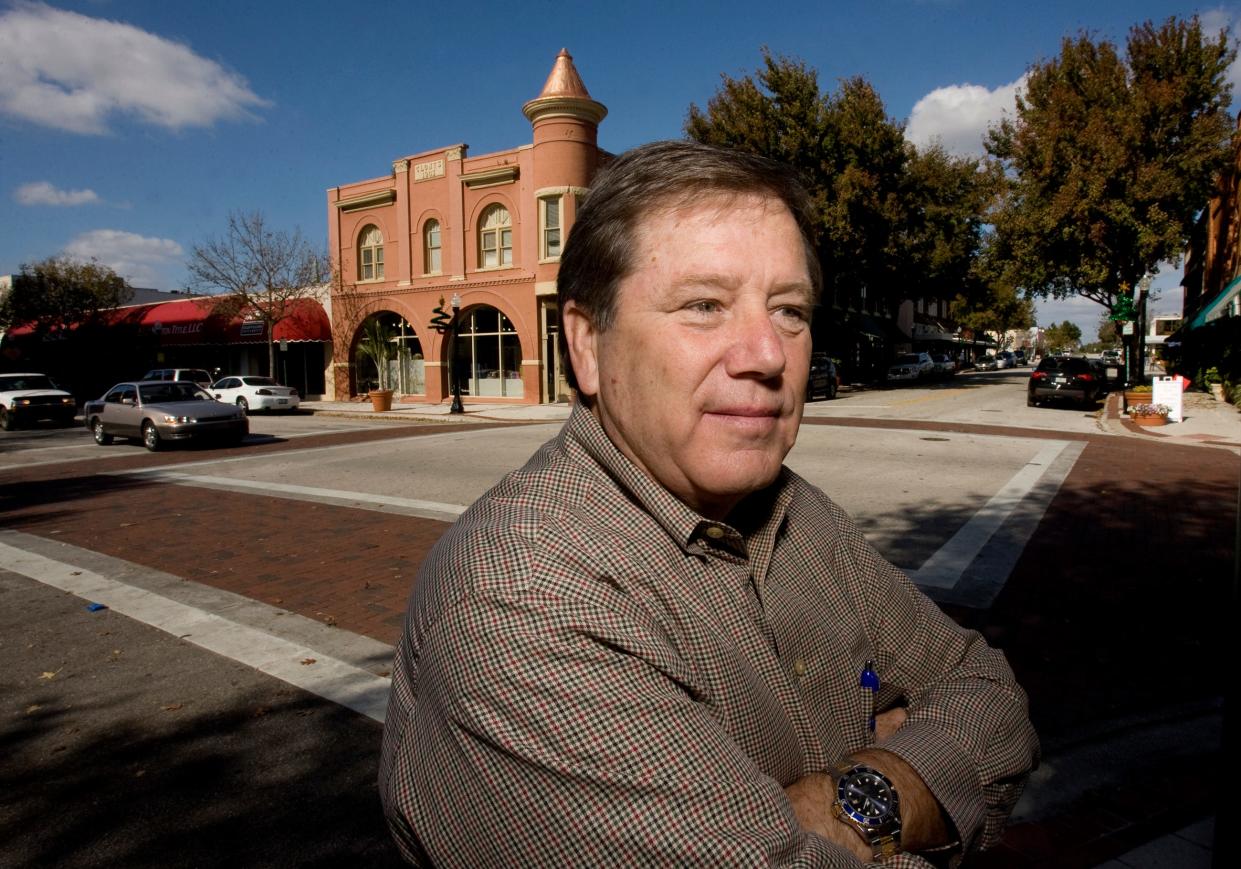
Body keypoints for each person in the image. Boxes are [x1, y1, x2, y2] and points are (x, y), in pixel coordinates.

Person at [380, 140, 1039, 866]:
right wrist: (913, 765)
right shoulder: (524, 598)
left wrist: (837, 805)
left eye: (789, 309)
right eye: (703, 305)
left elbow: (989, 695)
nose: (765, 352)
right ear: (586, 343)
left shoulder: (799, 515)